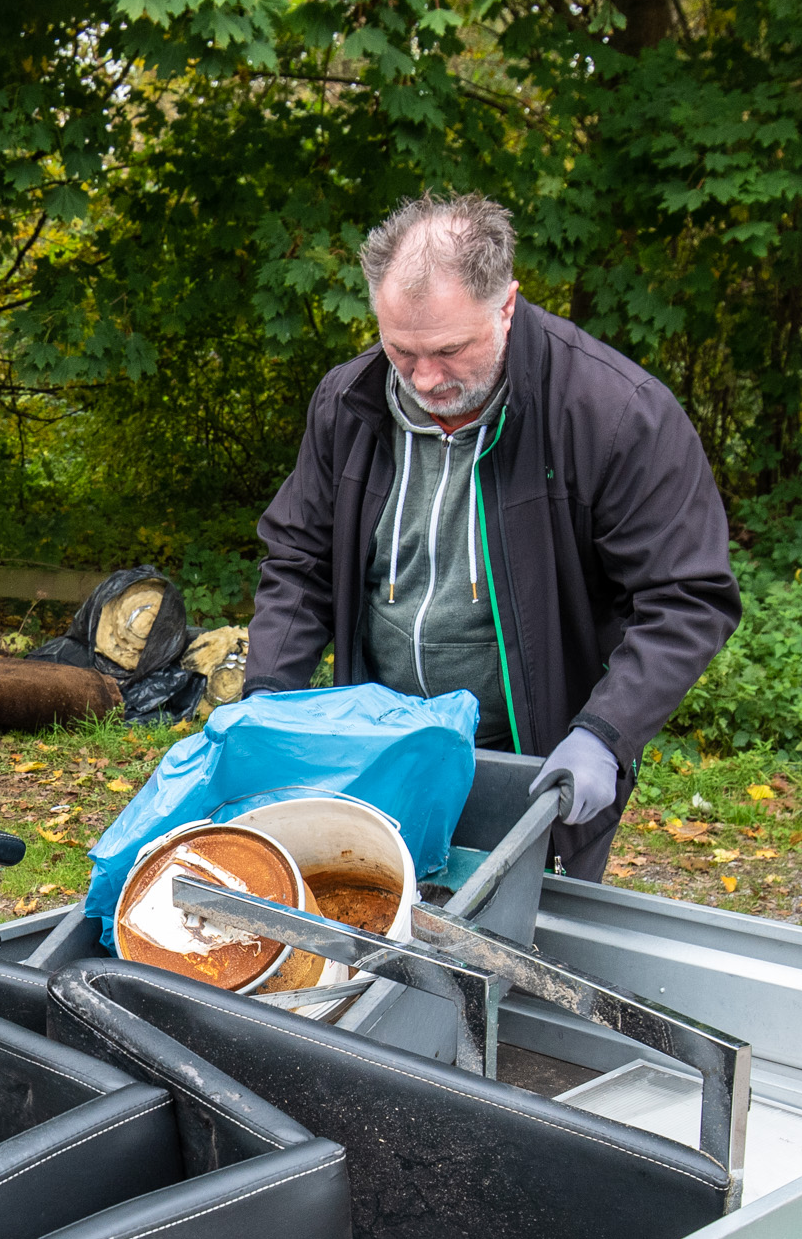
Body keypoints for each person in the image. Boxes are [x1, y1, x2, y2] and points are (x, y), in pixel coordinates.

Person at [246, 193, 740, 875]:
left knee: (516, 954)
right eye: (401, 351)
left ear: (505, 305)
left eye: (449, 350)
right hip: (379, 747)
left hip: (534, 757)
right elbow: (299, 559)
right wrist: (268, 694)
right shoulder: (348, 403)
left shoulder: (613, 413)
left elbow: (687, 597)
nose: (424, 379)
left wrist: (603, 733)